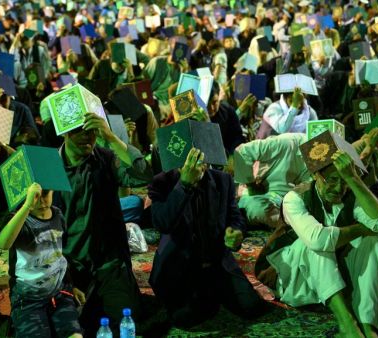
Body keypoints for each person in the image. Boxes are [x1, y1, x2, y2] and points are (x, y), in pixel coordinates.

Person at [256, 151, 378, 338]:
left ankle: (368, 325)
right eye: (332, 180)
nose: (338, 188)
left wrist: (353, 179)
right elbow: (318, 239)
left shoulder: (349, 194)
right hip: (293, 277)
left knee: (373, 240)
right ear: (315, 175)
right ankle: (348, 325)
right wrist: (362, 229)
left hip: (331, 277)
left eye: (343, 182)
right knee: (317, 243)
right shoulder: (294, 198)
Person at [55, 112, 153, 335]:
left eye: (91, 131)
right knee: (63, 327)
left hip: (108, 262)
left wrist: (111, 138)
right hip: (67, 265)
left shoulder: (106, 158)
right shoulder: (49, 166)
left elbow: (141, 175)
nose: (87, 137)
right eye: (79, 131)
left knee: (123, 324)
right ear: (64, 133)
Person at [149, 148, 266, 328]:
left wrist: (236, 232)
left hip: (217, 260)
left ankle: (211, 291)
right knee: (185, 317)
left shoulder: (222, 179)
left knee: (251, 307)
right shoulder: (163, 182)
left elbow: (235, 218)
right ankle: (206, 295)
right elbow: (162, 223)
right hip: (179, 263)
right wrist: (184, 185)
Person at [0, 183, 84, 338]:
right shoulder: (18, 220)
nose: (41, 202)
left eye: (45, 194)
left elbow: (61, 256)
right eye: (35, 197)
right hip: (28, 299)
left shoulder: (58, 215)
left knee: (75, 335)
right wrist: (27, 206)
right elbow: (3, 243)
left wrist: (72, 286)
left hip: (59, 293)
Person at [233, 133, 312, 229]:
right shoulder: (285, 143)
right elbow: (242, 152)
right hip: (262, 195)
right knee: (256, 209)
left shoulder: (325, 162)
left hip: (289, 204)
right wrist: (251, 185)